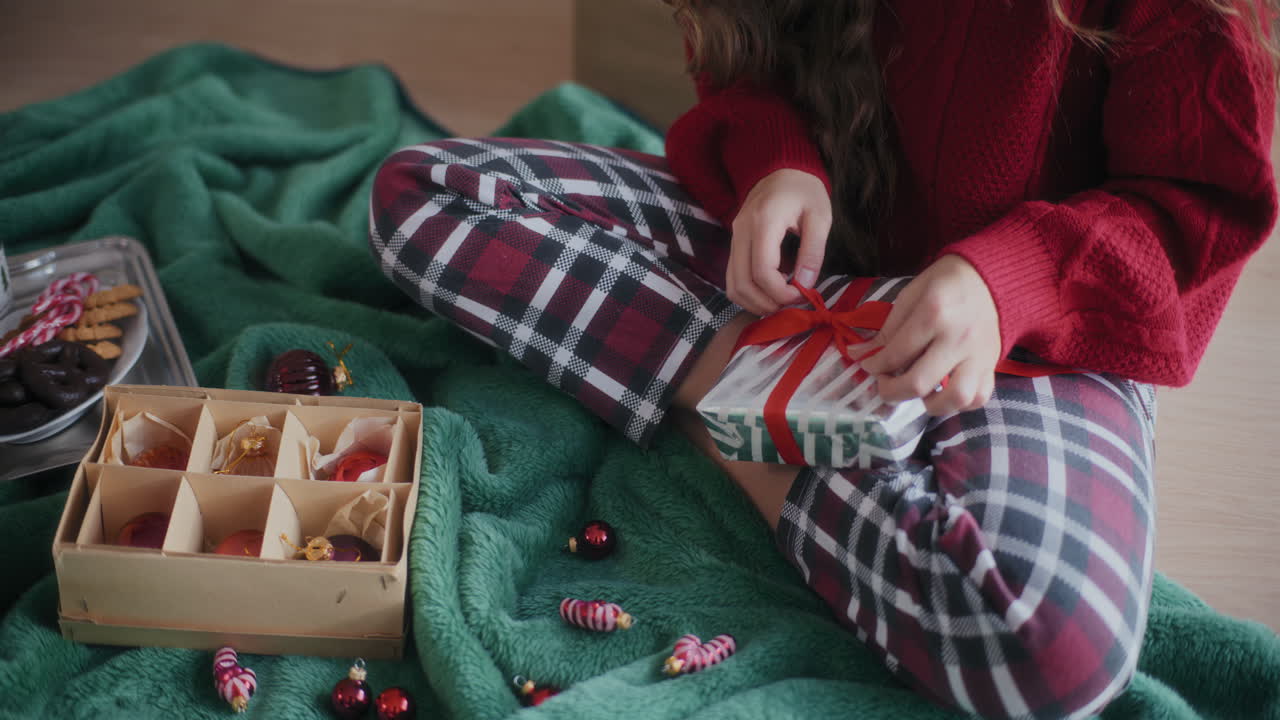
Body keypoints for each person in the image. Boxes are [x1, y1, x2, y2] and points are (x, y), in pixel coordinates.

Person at [368, 2, 1277, 717]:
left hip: (1039, 332)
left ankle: (727, 421)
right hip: (808, 264)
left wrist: (1008, 284)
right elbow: (742, 61)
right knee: (426, 195)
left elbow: (1194, 207)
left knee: (1053, 651)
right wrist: (778, 161)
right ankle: (749, 390)